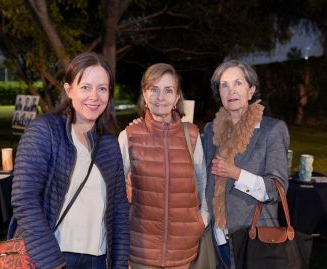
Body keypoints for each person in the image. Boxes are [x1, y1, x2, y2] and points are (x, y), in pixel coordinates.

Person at [8, 52, 129, 269]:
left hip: (99, 259)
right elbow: (24, 199)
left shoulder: (109, 144)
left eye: (102, 88)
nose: (94, 96)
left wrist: (119, 264)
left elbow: (119, 209)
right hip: (51, 255)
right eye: (85, 87)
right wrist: (52, 262)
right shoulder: (45, 131)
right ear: (68, 89)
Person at [118, 63, 209, 269]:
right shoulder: (129, 136)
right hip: (140, 252)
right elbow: (115, 192)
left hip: (183, 252)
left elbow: (202, 182)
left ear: (177, 97)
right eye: (154, 89)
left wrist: (202, 221)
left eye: (168, 90)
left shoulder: (191, 135)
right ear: (144, 94)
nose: (161, 97)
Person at [201, 59, 290, 268]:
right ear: (220, 94)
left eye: (238, 83)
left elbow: (278, 190)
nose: (231, 90)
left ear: (251, 91)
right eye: (225, 85)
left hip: (254, 238)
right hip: (216, 237)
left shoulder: (272, 130)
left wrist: (236, 173)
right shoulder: (209, 131)